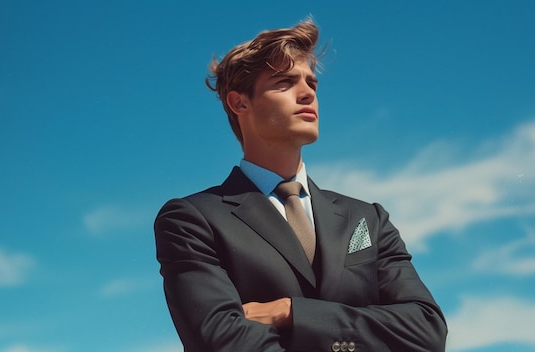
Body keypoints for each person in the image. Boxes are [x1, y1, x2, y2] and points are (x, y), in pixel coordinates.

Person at [154, 20, 447, 352]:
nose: (308, 93)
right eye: (284, 82)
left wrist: (292, 312)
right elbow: (224, 342)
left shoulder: (368, 218)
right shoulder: (191, 220)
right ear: (240, 103)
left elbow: (426, 331)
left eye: (312, 83)